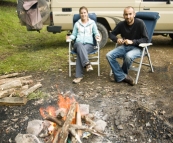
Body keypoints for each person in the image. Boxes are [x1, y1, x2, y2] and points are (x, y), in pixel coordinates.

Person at [106, 6, 149, 86]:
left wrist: (132, 41)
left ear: (134, 14)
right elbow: (111, 34)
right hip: (125, 47)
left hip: (138, 48)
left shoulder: (140, 23)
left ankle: (120, 75)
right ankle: (124, 76)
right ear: (123, 15)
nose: (128, 16)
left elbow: (146, 39)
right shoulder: (121, 24)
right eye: (126, 14)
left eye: (130, 14)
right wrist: (116, 39)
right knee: (109, 55)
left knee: (128, 56)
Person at [66, 6, 100, 84]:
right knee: (79, 45)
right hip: (78, 44)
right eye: (81, 13)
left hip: (89, 45)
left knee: (80, 53)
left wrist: (97, 36)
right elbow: (74, 35)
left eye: (84, 12)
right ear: (80, 14)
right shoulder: (77, 24)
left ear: (87, 13)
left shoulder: (92, 23)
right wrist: (69, 37)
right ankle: (87, 64)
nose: (83, 14)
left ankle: (79, 76)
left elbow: (96, 33)